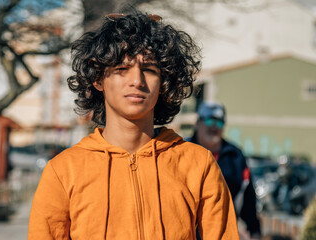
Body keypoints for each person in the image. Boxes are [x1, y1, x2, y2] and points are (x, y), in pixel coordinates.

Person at [28, 11, 239, 239]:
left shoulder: (199, 164)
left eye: (149, 69)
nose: (137, 81)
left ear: (164, 82)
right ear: (98, 79)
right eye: (121, 69)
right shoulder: (63, 171)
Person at [189, 101, 261, 239]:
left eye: (220, 123)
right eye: (209, 121)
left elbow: (247, 196)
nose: (214, 127)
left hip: (224, 232)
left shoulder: (235, 156)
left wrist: (255, 231)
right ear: (198, 123)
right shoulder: (182, 151)